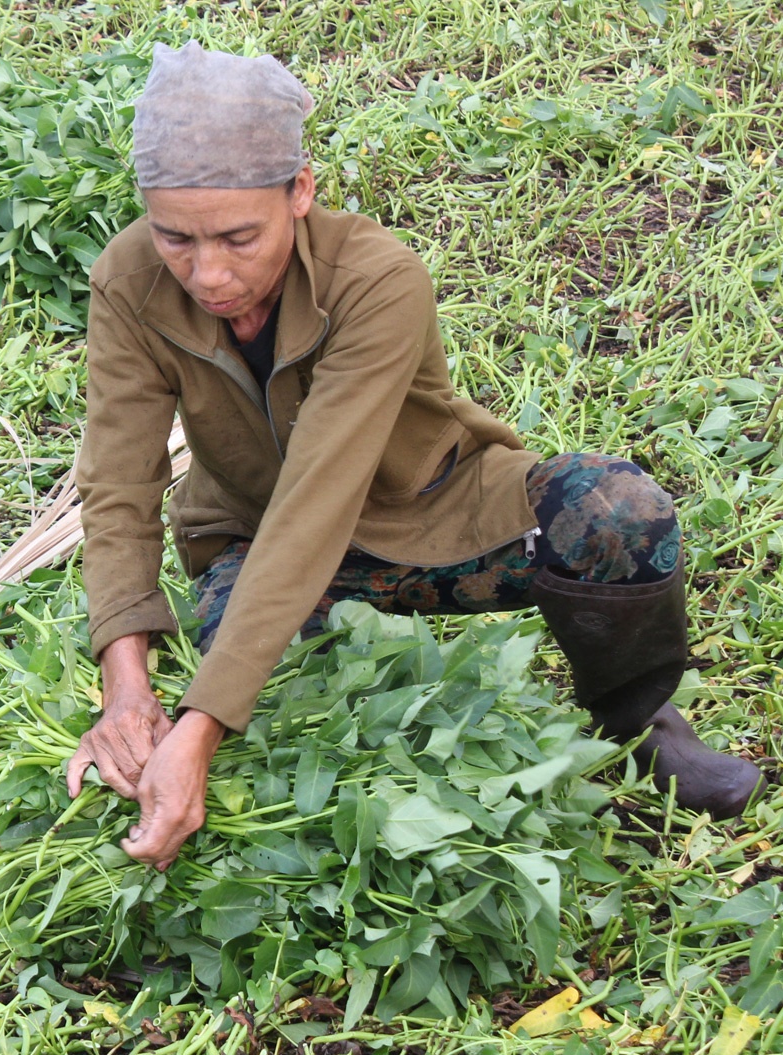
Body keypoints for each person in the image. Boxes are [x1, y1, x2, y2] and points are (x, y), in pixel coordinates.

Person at [66, 42, 766, 871]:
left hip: (434, 514)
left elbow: (319, 496)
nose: (208, 274)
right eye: (175, 237)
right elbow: (117, 481)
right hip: (259, 547)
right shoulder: (129, 280)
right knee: (263, 688)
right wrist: (128, 683)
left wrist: (200, 723)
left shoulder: (376, 278)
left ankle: (637, 721)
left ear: (300, 191)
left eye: (238, 237)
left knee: (616, 515)